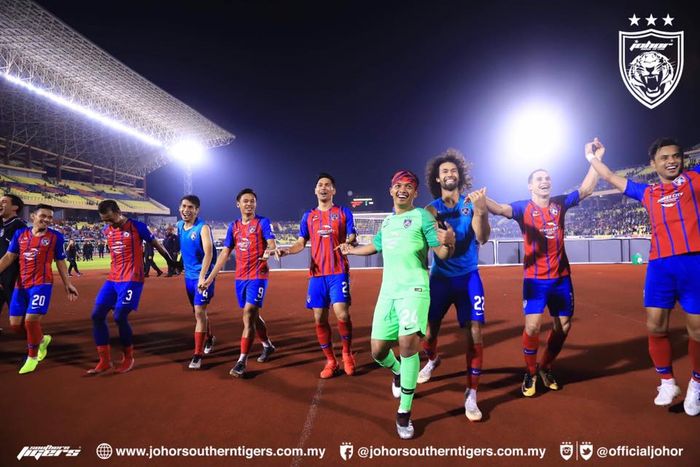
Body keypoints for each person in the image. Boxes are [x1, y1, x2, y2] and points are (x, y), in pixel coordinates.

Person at [587, 137, 700, 416]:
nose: (671, 161)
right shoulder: (646, 191)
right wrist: (593, 159)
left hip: (694, 263)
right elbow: (612, 177)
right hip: (659, 267)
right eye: (665, 157)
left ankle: (697, 385)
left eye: (676, 156)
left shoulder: (695, 180)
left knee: (697, 330)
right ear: (654, 163)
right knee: (655, 326)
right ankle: (667, 382)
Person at [340, 170, 455, 439]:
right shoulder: (388, 223)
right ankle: (398, 373)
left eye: (409, 187)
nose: (403, 189)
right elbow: (375, 246)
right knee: (378, 351)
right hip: (388, 293)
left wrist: (448, 244)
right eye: (398, 186)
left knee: (407, 344)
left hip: (415, 289)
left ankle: (404, 412)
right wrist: (351, 250)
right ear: (391, 190)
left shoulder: (423, 217)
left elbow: (441, 251)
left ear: (415, 193)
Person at [486, 144, 601, 397]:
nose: (545, 181)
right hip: (535, 280)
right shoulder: (522, 208)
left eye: (547, 178)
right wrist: (481, 199)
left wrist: (595, 159)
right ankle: (529, 371)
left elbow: (586, 189)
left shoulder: (560, 204)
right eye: (539, 179)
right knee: (533, 327)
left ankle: (545, 366)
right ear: (530, 186)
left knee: (564, 326)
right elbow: (499, 209)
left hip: (561, 279)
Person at [417, 149, 490, 421]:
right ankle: (433, 359)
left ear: (460, 175)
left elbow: (482, 237)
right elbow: (437, 247)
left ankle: (472, 392)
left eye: (453, 170)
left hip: (469, 277)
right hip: (440, 278)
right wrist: (446, 241)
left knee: (475, 334)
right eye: (444, 171)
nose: (449, 174)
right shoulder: (431, 210)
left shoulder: (471, 203)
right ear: (437, 178)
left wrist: (481, 214)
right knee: (428, 334)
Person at [278, 173, 356, 378]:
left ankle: (347, 353)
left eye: (327, 185)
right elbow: (300, 242)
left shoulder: (343, 212)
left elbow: (352, 235)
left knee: (342, 314)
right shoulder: (308, 216)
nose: (323, 188)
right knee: (319, 318)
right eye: (320, 185)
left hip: (338, 271)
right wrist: (286, 250)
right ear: (315, 190)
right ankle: (331, 361)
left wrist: (350, 242)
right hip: (316, 275)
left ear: (333, 190)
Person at [87, 200, 176, 374]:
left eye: (110, 219)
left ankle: (128, 358)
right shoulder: (107, 231)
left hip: (132, 279)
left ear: (119, 211)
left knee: (120, 316)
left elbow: (157, 245)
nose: (108, 223)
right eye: (105, 220)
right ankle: (104, 361)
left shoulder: (137, 227)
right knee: (96, 315)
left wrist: (171, 262)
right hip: (113, 279)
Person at [202, 188, 277, 377]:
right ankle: (267, 345)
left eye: (252, 201)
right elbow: (225, 253)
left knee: (248, 313)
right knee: (253, 316)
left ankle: (242, 361)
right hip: (240, 277)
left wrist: (270, 250)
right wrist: (210, 278)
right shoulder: (233, 227)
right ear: (238, 204)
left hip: (258, 276)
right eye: (245, 201)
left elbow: (271, 242)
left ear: (256, 204)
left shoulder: (262, 222)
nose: (249, 204)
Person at [0, 204, 78, 374]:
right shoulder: (20, 234)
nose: (47, 220)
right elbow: (9, 256)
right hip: (21, 286)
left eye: (50, 217)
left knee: (31, 321)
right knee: (15, 326)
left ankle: (32, 357)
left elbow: (60, 261)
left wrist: (68, 283)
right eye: (43, 216)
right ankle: (41, 340)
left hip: (42, 284)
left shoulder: (56, 237)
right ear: (33, 216)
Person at [176, 195, 217, 370]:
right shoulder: (179, 226)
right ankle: (210, 337)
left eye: (191, 207)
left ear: (197, 210)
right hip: (188, 278)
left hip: (204, 278)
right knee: (198, 312)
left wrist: (203, 277)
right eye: (184, 206)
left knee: (199, 312)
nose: (186, 210)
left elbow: (208, 253)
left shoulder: (203, 228)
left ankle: (197, 355)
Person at [0, 194, 27, 333]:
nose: (0, 204)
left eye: (4, 202)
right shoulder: (2, 223)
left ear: (15, 207)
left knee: (19, 321)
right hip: (1, 274)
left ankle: (37, 342)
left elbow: (12, 256)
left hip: (13, 277)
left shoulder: (19, 226)